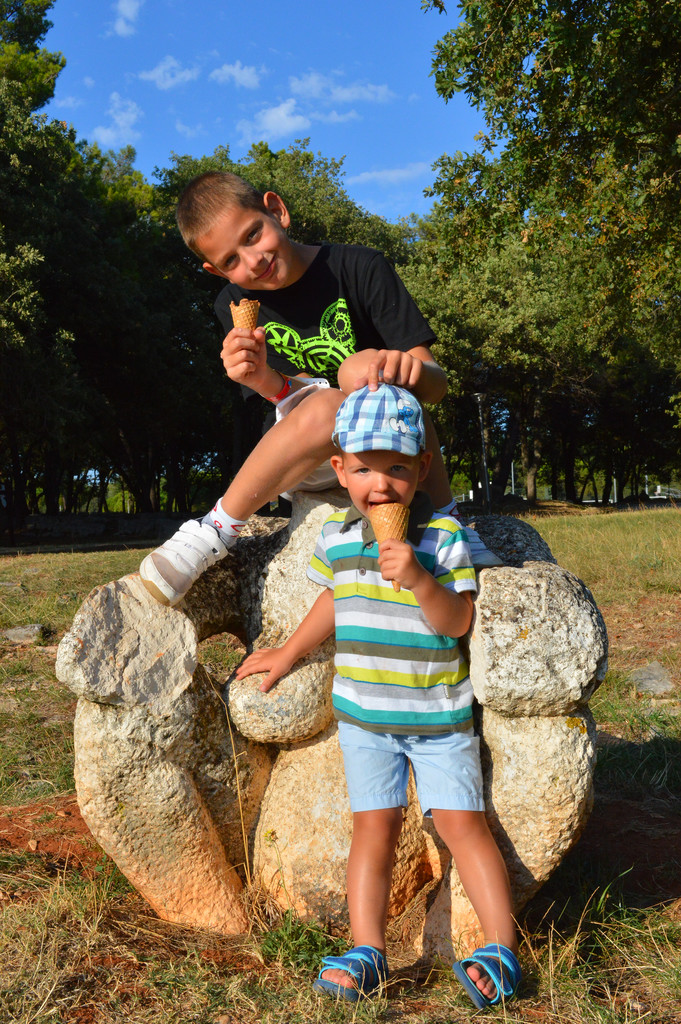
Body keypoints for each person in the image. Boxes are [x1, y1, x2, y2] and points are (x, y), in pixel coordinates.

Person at [235, 384, 521, 1007]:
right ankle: (368, 950)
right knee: (374, 829)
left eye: (397, 467)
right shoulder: (338, 535)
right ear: (339, 470)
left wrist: (418, 577)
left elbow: (457, 621)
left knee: (463, 826)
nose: (381, 484)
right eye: (364, 468)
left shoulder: (443, 537)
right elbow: (333, 600)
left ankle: (501, 948)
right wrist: (288, 651)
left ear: (422, 468)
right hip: (364, 718)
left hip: (438, 716)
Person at [139, 171, 499, 607]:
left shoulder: (362, 268)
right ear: (215, 271)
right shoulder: (233, 305)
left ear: (277, 211)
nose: (252, 260)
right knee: (332, 401)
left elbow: (437, 386)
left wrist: (411, 371)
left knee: (374, 382)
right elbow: (289, 400)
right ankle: (215, 529)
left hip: (388, 446)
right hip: (309, 456)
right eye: (231, 261)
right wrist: (257, 378)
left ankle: (445, 519)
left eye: (253, 235)